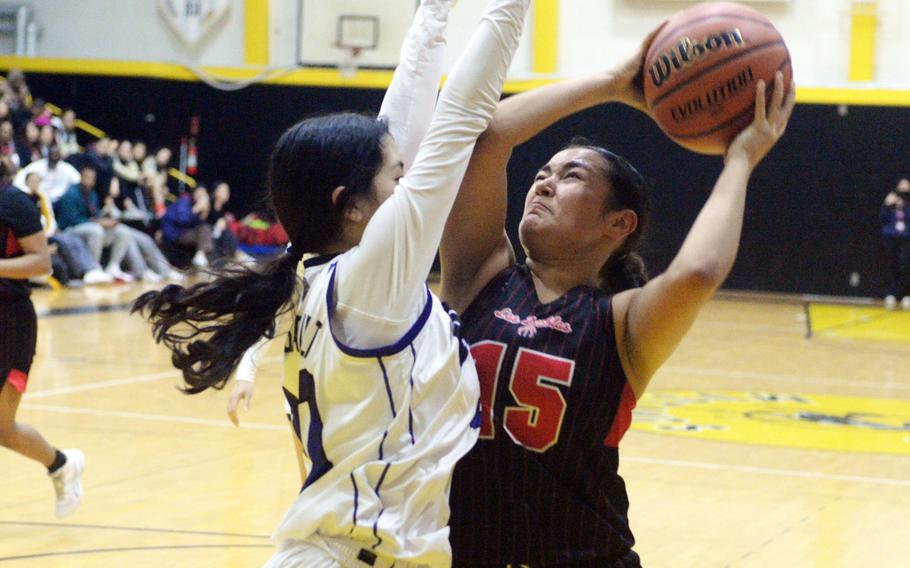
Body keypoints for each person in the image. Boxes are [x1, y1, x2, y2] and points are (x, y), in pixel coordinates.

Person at [132, 1, 528, 566]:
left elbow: (402, 135)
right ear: (350, 207)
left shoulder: (309, 273)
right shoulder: (371, 281)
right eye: (397, 177)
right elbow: (459, 115)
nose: (408, 180)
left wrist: (434, 14)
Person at [439, 37, 797, 565]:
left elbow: (697, 272)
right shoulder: (478, 276)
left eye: (571, 176)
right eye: (542, 174)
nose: (543, 184)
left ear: (618, 225)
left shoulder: (620, 324)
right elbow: (490, 136)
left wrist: (740, 161)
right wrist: (609, 84)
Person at [0, 162, 85, 518]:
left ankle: (61, 463)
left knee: (2, 427)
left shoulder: (14, 202)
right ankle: (61, 464)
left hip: (11, 322)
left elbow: (42, 262)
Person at [881, 178, 910, 310]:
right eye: (901, 187)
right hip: (891, 237)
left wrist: (905, 205)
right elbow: (883, 219)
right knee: (891, 265)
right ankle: (891, 294)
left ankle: (905, 295)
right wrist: (887, 204)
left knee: (905, 267)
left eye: (906, 187)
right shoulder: (891, 201)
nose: (903, 189)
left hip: (906, 238)